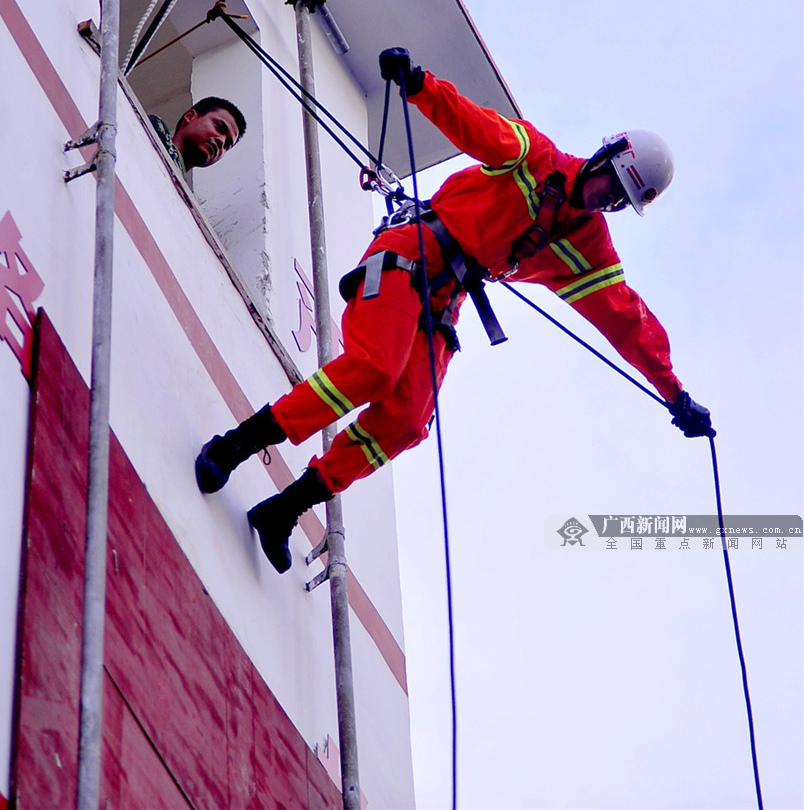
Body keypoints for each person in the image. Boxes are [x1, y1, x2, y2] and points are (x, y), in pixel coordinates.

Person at [195, 48, 713, 573]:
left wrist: (676, 396)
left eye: (621, 201)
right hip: (409, 256)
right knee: (376, 368)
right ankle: (236, 445)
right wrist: (419, 84)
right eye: (612, 186)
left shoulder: (587, 247)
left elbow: (628, 322)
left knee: (408, 419)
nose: (609, 201)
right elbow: (474, 126)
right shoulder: (535, 156)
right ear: (605, 158)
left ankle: (285, 509)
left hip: (445, 300)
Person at [149, 96, 246, 173]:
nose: (221, 141)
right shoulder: (151, 131)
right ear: (190, 116)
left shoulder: (179, 195)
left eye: (227, 145)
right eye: (219, 127)